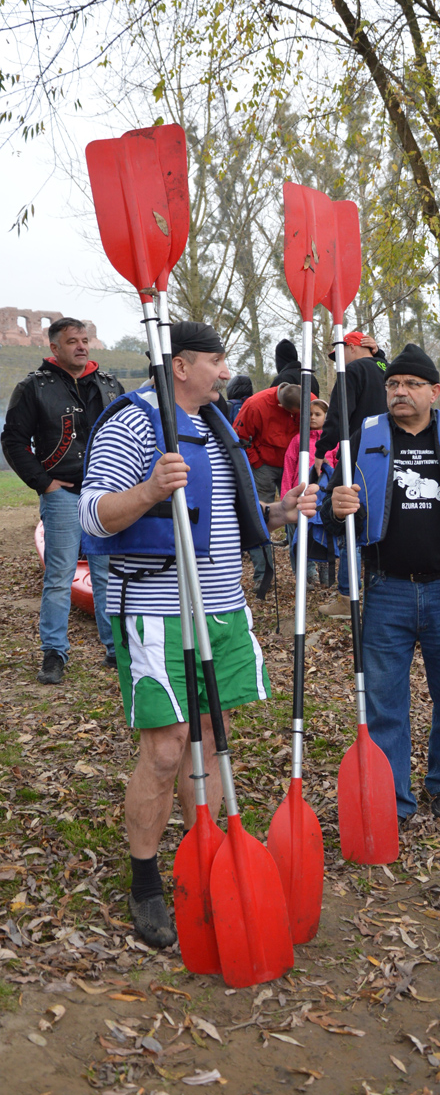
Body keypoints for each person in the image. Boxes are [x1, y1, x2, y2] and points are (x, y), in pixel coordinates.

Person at [78, 321, 318, 946]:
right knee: (165, 749)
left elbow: (227, 513)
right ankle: (145, 881)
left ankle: (203, 850)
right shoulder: (132, 423)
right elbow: (93, 516)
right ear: (181, 366)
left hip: (223, 609)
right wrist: (150, 489)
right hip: (158, 611)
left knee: (209, 736)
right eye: (216, 361)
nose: (226, 371)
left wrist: (282, 511)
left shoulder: (216, 424)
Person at [321, 343, 440, 823]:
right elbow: (329, 512)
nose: (399, 392)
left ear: (434, 391)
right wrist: (334, 509)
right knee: (384, 704)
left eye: (411, 384)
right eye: (393, 384)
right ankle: (394, 797)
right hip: (386, 590)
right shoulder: (362, 439)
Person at [1, 317, 122, 684]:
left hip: (105, 495)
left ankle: (116, 649)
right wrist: (45, 484)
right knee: (59, 577)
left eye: (84, 339)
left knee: (107, 575)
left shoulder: (110, 384)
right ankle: (54, 653)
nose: (81, 346)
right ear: (54, 347)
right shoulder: (33, 387)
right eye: (72, 341)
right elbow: (13, 441)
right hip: (62, 494)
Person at [316, 330, 388, 618]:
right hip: (391, 454)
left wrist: (321, 450)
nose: (338, 362)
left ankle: (348, 596)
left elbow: (338, 415)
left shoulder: (353, 371)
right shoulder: (390, 369)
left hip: (358, 455)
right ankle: (380, 592)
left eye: (340, 354)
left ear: (354, 347)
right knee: (382, 520)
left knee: (349, 520)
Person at [234, 381, 312, 595]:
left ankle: (306, 572)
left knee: (301, 513)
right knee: (259, 516)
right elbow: (239, 438)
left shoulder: (309, 398)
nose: (295, 417)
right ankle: (263, 575)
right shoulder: (255, 405)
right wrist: (256, 462)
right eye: (292, 414)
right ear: (280, 406)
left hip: (295, 463)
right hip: (265, 465)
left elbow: (320, 427)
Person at [282, 398, 329, 584]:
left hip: (322, 498)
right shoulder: (298, 440)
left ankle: (325, 571)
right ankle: (304, 575)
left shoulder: (332, 442)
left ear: (326, 416)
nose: (313, 418)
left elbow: (337, 468)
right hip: (299, 497)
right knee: (297, 536)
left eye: (318, 414)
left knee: (321, 533)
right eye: (309, 414)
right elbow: (288, 468)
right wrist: (286, 496)